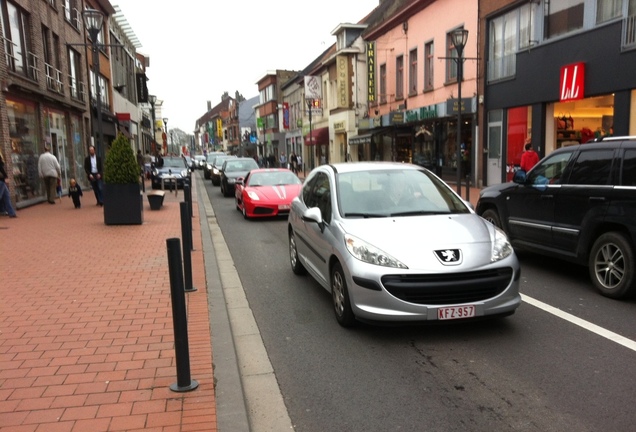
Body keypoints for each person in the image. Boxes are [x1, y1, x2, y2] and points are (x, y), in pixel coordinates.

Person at [0, 152, 17, 217]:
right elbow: (2, 170)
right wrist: (5, 177)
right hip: (1, 181)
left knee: (6, 196)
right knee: (4, 196)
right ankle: (10, 212)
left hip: (2, 181)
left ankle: (11, 213)